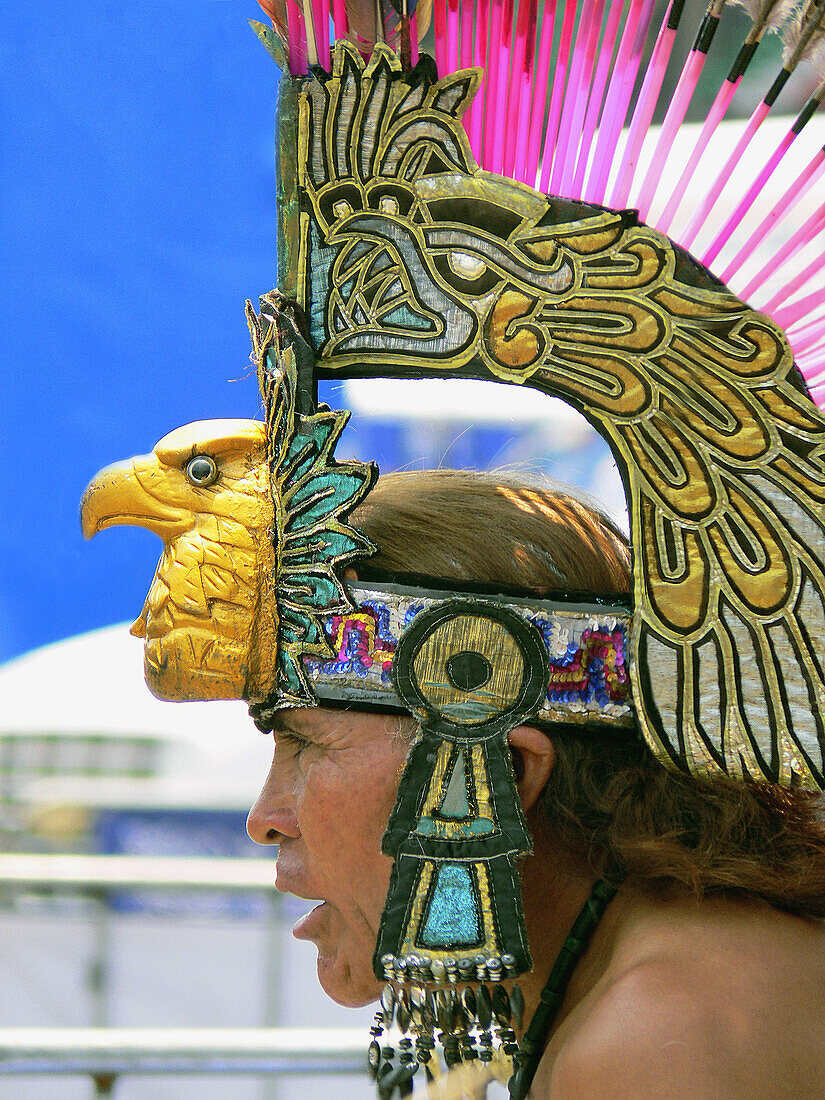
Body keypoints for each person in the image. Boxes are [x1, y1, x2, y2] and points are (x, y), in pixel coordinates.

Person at [247, 469, 825, 1098]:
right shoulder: (659, 977)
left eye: (304, 744)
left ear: (506, 776)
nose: (265, 819)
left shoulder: (653, 1037)